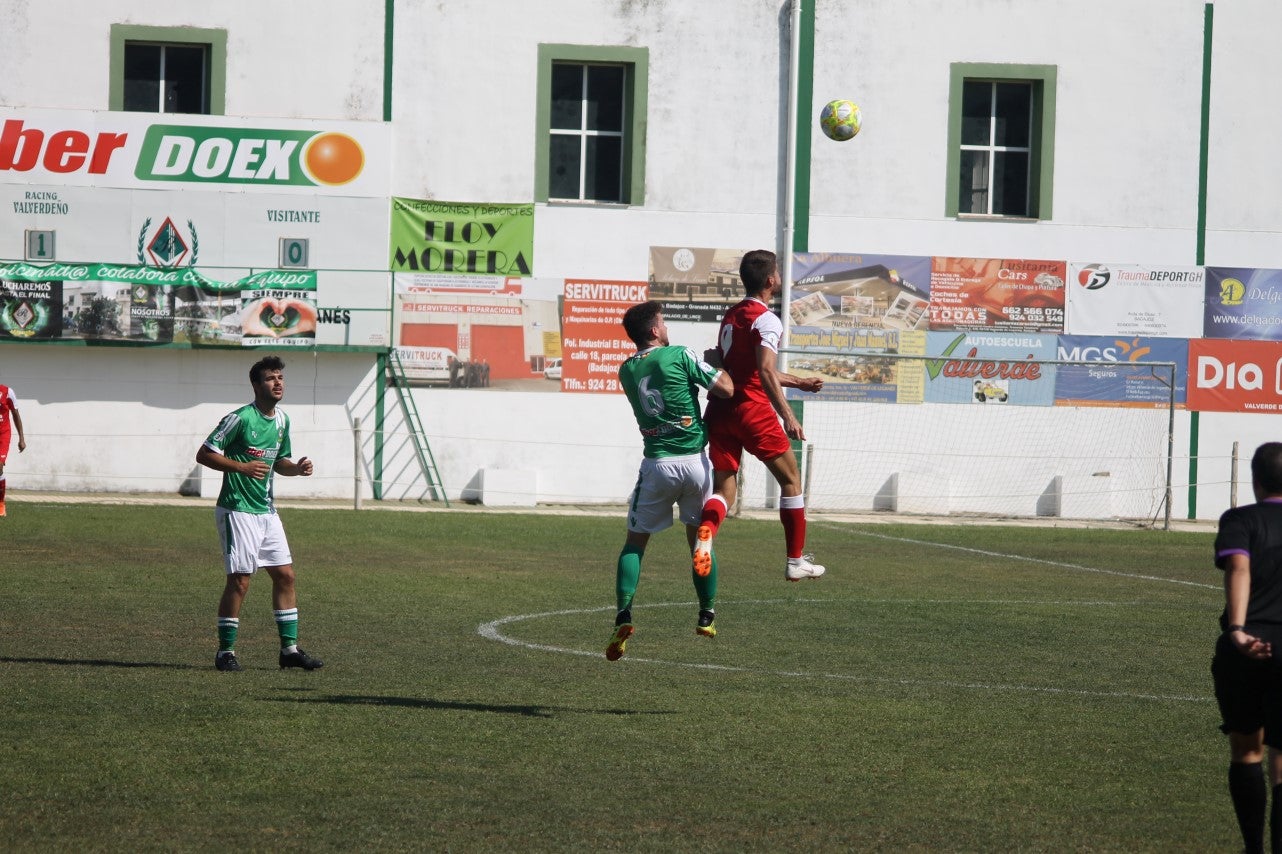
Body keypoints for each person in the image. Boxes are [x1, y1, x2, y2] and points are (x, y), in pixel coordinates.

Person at [606, 300, 733, 661]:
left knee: (634, 544)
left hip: (658, 465)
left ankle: (624, 615)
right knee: (699, 543)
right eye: (663, 321)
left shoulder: (625, 370)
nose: (666, 326)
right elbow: (725, 389)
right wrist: (718, 363)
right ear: (654, 331)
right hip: (695, 462)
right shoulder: (679, 354)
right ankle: (706, 615)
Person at [696, 249, 826, 582]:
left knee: (725, 490)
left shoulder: (732, 315)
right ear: (771, 280)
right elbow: (766, 372)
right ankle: (795, 561)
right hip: (752, 411)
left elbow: (748, 369)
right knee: (791, 480)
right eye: (779, 272)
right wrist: (788, 415)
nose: (781, 276)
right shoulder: (766, 319)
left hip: (721, 411)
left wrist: (800, 382)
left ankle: (706, 534)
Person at [196, 355, 323, 673]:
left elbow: (281, 461)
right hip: (237, 510)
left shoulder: (283, 421)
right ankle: (225, 652)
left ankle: (289, 651)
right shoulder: (239, 418)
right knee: (240, 581)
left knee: (286, 576)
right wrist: (240, 466)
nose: (278, 383)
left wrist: (297, 468)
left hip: (266, 512)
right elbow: (205, 453)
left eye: (280, 377)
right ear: (256, 384)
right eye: (270, 378)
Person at [1213, 441, 1282, 853]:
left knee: (1247, 749)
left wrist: (1238, 630)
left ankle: (1253, 848)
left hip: (1249, 643)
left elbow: (1239, 565)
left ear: (1255, 480)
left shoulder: (1240, 519)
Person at [0, 381, 27, 517]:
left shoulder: (7, 392)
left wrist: (21, 438)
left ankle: (1, 504)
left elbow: (16, 415)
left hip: (2, 435)